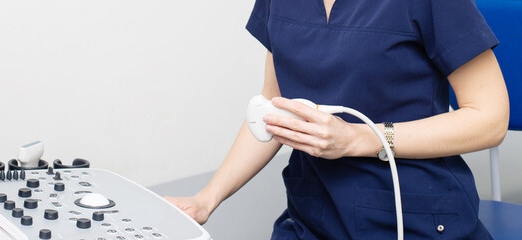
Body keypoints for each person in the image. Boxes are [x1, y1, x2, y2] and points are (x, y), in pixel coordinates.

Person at [165, 0, 509, 238]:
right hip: (312, 216)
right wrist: (206, 199)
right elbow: (273, 108)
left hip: (412, 216)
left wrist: (362, 138)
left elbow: (490, 118)